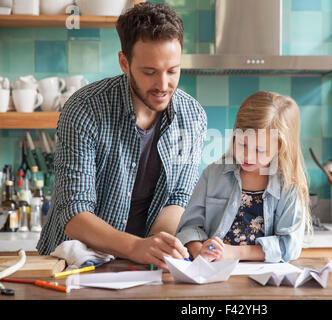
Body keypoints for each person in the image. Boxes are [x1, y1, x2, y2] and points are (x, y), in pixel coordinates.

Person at [37, 3, 207, 270]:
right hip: (74, 265)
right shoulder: (84, 109)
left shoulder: (192, 116)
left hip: (142, 266)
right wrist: (136, 247)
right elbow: (74, 212)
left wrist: (159, 244)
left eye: (172, 71)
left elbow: (178, 197)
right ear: (124, 63)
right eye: (150, 72)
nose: (163, 85)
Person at [176, 91, 312, 263]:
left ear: (279, 147)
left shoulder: (288, 186)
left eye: (259, 150)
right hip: (213, 272)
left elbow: (288, 247)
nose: (247, 156)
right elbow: (188, 227)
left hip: (263, 279)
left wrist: (234, 252)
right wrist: (199, 251)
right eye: (242, 144)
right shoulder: (213, 174)